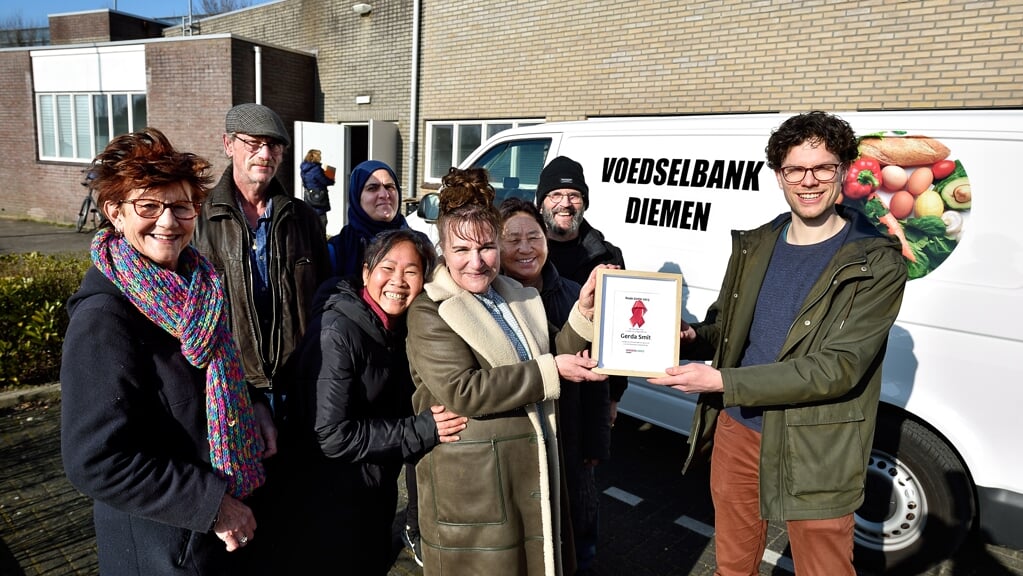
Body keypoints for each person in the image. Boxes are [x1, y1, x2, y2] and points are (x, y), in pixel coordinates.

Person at [648, 111, 909, 575]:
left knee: (823, 568)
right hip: (738, 429)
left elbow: (838, 368)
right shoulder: (757, 242)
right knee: (733, 564)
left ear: (844, 171)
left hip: (818, 441)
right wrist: (690, 337)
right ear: (779, 176)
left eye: (823, 167)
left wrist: (722, 380)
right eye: (795, 170)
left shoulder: (877, 263)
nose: (809, 181)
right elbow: (726, 327)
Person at [60, 127, 274, 575]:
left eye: (181, 205)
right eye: (148, 206)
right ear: (115, 212)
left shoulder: (198, 287)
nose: (168, 221)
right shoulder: (105, 317)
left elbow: (212, 375)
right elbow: (96, 459)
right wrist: (212, 505)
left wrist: (252, 404)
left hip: (211, 540)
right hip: (166, 547)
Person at [405, 166, 610, 575]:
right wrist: (550, 370)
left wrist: (584, 314)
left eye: (485, 247)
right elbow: (465, 391)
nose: (476, 262)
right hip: (474, 485)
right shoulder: (429, 310)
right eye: (461, 250)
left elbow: (550, 351)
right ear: (443, 250)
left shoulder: (513, 293)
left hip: (524, 474)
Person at [193, 103, 331, 573]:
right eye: (253, 143)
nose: (264, 153)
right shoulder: (199, 220)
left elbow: (325, 298)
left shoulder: (303, 218)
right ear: (229, 144)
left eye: (274, 145)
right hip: (233, 391)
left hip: (300, 388)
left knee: (301, 504)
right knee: (245, 515)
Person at [288, 229, 467, 574]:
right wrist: (422, 429)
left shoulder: (399, 329)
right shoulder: (337, 330)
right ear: (367, 272)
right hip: (329, 499)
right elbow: (331, 435)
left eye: (411, 271)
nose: (398, 281)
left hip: (371, 490)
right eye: (388, 268)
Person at [499, 197, 611, 574]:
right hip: (520, 442)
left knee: (580, 531)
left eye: (534, 236)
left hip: (571, 438)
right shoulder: (489, 301)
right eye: (512, 239)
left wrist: (597, 438)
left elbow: (599, 377)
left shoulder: (574, 296)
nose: (525, 248)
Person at [537, 156, 629, 425]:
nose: (565, 203)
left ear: (585, 203)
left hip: (589, 389)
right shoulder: (525, 254)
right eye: (555, 194)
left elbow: (618, 330)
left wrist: (614, 396)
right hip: (537, 383)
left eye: (574, 195)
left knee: (584, 464)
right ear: (540, 201)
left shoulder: (607, 257)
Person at [326, 159, 409, 277]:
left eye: (389, 187)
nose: (384, 195)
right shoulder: (337, 251)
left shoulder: (419, 244)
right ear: (357, 197)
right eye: (372, 188)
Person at [300, 148, 335, 230]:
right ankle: (320, 241)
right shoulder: (316, 169)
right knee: (322, 221)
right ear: (315, 157)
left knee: (310, 221)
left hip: (309, 197)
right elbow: (324, 181)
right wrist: (331, 177)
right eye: (319, 156)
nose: (320, 157)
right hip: (319, 198)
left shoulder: (304, 169)